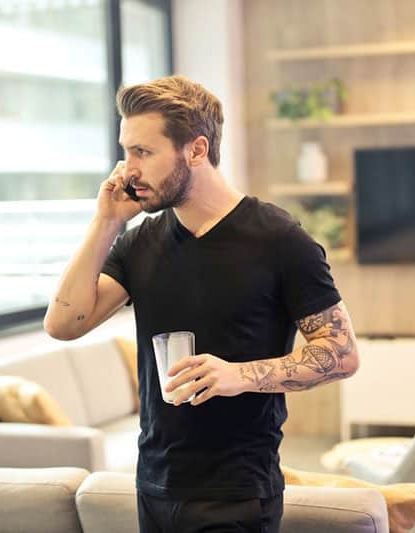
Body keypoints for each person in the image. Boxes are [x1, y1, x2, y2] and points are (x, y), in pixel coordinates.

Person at [44, 75, 360, 533]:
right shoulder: (138, 243)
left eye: (143, 152)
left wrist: (238, 375)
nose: (127, 169)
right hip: (154, 483)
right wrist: (105, 222)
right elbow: (63, 324)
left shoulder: (278, 238)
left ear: (196, 150)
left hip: (237, 491)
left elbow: (342, 353)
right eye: (126, 150)